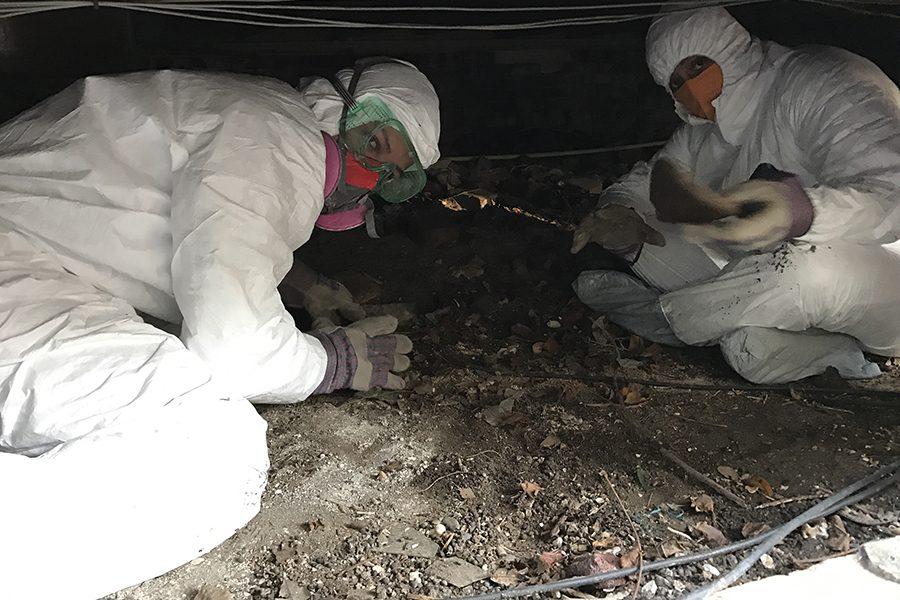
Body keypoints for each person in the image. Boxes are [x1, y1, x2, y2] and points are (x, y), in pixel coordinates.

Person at [0, 58, 440, 599]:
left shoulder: (257, 114)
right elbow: (234, 348)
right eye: (374, 146)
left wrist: (304, 286)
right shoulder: (279, 143)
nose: (371, 177)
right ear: (337, 104)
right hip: (18, 273)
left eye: (394, 176)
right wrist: (330, 362)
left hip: (34, 258)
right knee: (208, 448)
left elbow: (185, 224)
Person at [571, 6, 900, 384]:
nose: (690, 88)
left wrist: (802, 211)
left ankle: (666, 320)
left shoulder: (821, 82)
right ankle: (832, 353)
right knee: (749, 350)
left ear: (728, 46)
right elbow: (654, 181)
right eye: (676, 82)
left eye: (697, 66)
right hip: (771, 289)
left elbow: (892, 193)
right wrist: (619, 210)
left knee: (802, 266)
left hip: (880, 272)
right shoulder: (702, 129)